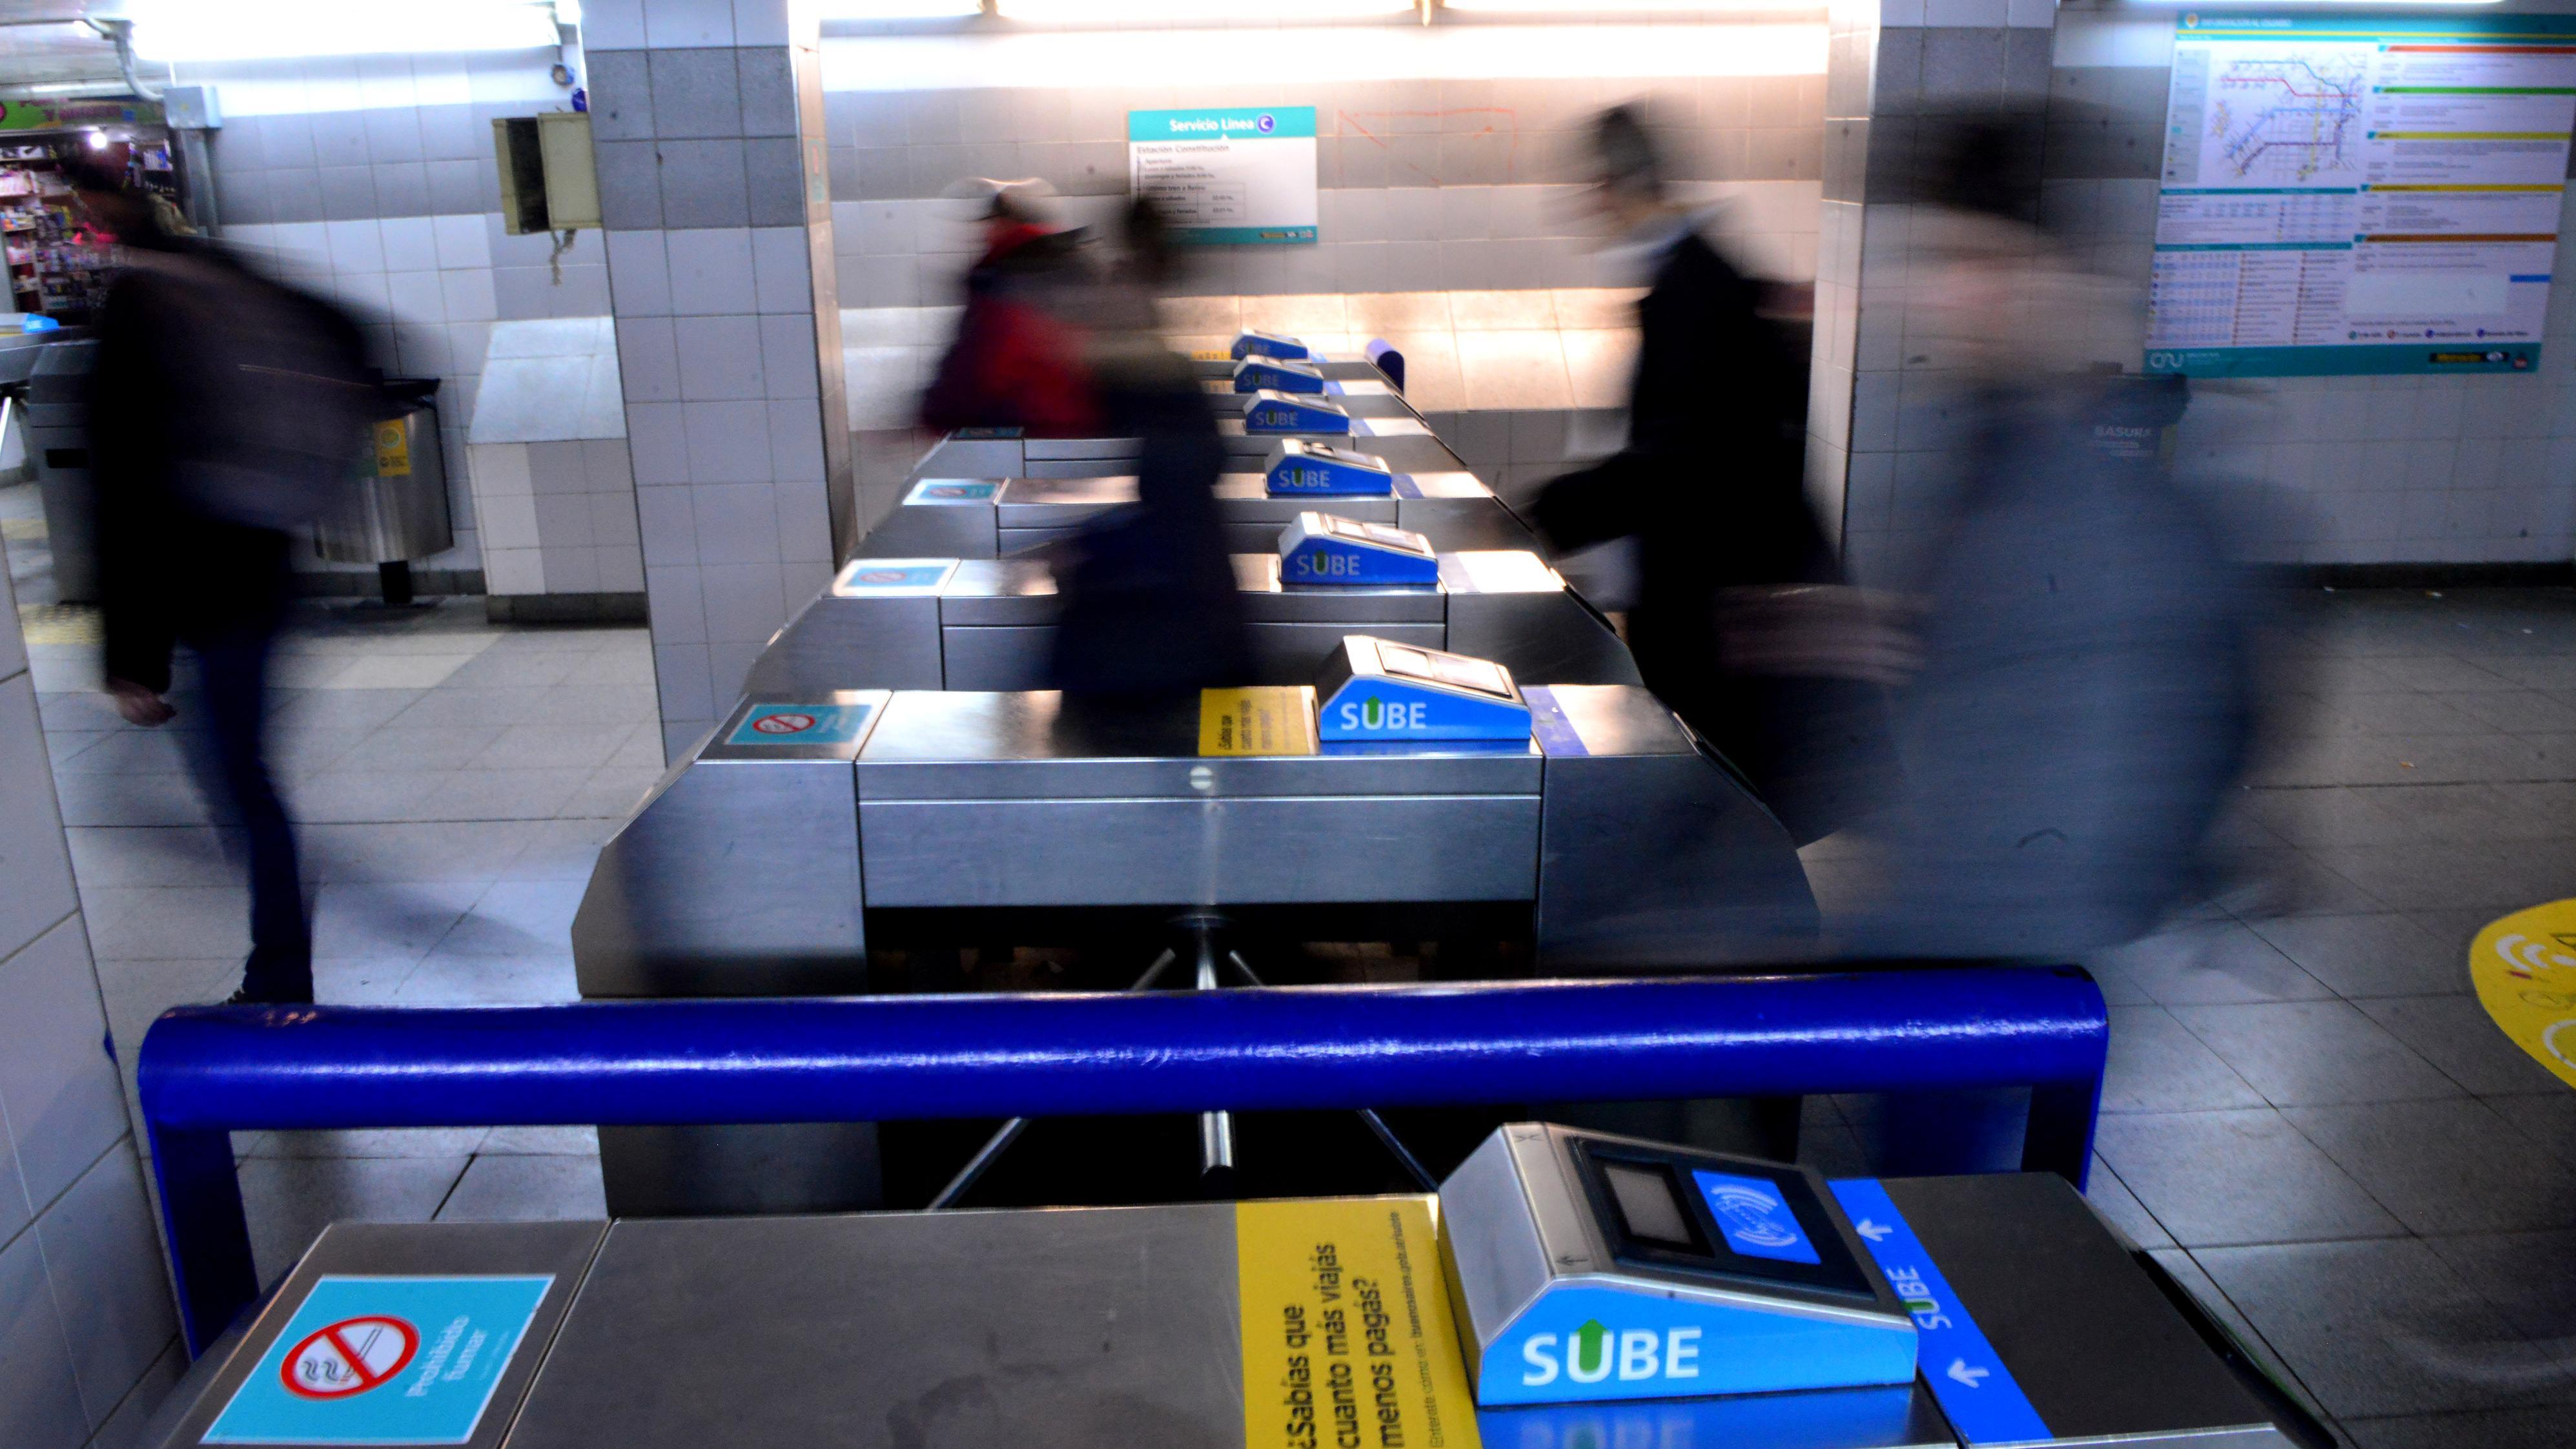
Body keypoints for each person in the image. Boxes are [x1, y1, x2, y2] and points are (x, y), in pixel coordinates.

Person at [1529, 106, 1888, 847]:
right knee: (1722, 807)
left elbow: (1673, 461)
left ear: (1611, 184)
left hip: (1724, 607)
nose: (1581, 207)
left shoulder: (1695, 292)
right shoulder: (1697, 276)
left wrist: (1543, 515)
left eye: (1586, 189)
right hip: (1724, 600)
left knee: (1722, 807)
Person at [76, 158, 376, 1005]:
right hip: (265, 562)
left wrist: (131, 654)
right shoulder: (224, 271)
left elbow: (121, 488)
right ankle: (279, 962)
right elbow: (351, 335)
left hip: (199, 576)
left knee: (238, 782)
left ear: (102, 220)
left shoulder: (137, 309)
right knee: (246, 775)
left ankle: (280, 971)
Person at [1044, 198, 1251, 702]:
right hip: (1199, 614)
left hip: (1166, 641)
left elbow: (1173, 494)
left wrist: (1088, 550)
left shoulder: (1161, 383)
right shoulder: (1170, 377)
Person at [919, 179, 1101, 438]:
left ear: (1003, 224)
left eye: (989, 224)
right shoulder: (1077, 263)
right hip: (1080, 423)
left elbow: (987, 362)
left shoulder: (1004, 274)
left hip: (1026, 427)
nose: (984, 234)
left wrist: (936, 412)